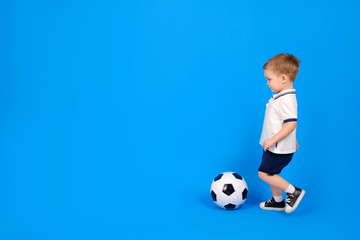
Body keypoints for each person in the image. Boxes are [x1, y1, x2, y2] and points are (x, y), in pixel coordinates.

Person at [258, 53, 305, 213]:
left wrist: (272, 140)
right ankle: (278, 201)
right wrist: (293, 138)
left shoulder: (287, 99)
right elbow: (286, 123)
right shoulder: (281, 96)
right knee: (272, 173)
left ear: (283, 78)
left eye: (269, 79)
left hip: (277, 147)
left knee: (263, 174)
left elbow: (291, 124)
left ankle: (293, 191)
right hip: (274, 146)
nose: (267, 83)